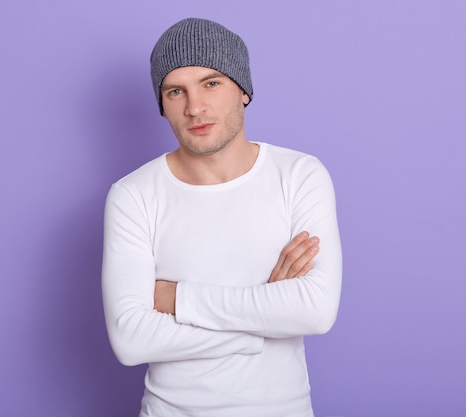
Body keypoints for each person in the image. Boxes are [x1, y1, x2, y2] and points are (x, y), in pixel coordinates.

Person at [102, 17, 342, 417]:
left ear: (243, 90)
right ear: (162, 105)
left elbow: (314, 311)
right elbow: (131, 341)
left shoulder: (300, 175)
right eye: (176, 91)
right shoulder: (133, 195)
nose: (195, 107)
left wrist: (177, 297)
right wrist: (263, 320)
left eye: (211, 83)